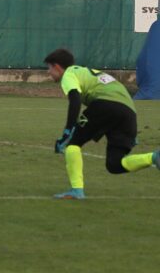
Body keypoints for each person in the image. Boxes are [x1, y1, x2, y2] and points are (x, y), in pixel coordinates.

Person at [44, 48, 160, 200]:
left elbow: (75, 100)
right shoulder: (87, 71)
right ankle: (154, 157)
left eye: (49, 68)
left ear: (58, 67)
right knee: (115, 164)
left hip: (106, 104)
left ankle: (76, 191)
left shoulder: (69, 74)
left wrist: (68, 131)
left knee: (72, 144)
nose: (48, 72)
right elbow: (119, 98)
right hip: (129, 111)